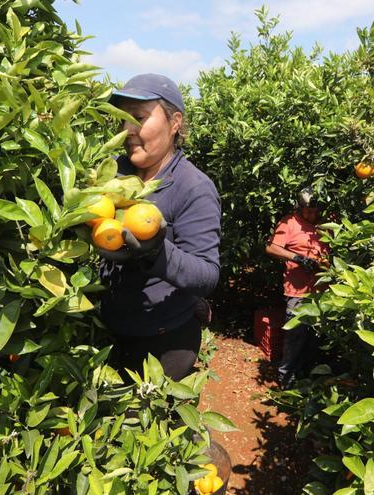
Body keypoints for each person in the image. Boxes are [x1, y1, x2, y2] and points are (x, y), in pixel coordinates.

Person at [97, 74, 221, 382]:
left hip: (164, 341)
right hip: (108, 329)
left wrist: (157, 252)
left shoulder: (193, 187)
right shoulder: (113, 174)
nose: (128, 131)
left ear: (175, 122)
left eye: (138, 118)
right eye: (123, 120)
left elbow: (207, 274)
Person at [265, 187, 329, 388]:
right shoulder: (290, 223)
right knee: (295, 336)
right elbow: (270, 247)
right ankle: (286, 377)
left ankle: (308, 375)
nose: (311, 215)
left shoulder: (325, 224)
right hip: (298, 292)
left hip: (322, 291)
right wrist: (298, 258)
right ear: (299, 208)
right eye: (307, 211)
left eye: (315, 211)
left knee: (314, 337)